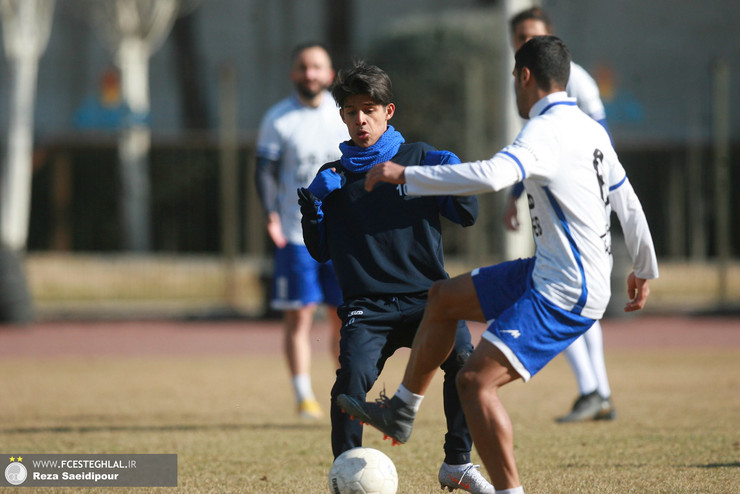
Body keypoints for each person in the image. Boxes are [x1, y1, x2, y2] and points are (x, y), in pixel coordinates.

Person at [337, 36, 659, 493]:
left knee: (473, 383)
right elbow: (627, 201)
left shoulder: (545, 130)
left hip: (567, 287)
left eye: (513, 77)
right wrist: (644, 265)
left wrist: (405, 174)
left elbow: (492, 174)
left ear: (524, 76)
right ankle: (402, 409)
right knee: (443, 298)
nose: (514, 87)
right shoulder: (589, 128)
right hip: (548, 269)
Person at [298, 61, 494, 493]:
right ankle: (347, 470)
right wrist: (312, 208)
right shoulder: (333, 177)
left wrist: (452, 176)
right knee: (351, 381)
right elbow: (319, 251)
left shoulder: (420, 161)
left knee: (464, 360)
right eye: (351, 111)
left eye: (369, 109)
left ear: (389, 111)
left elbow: (468, 215)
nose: (360, 120)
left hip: (430, 300)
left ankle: (457, 464)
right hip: (367, 308)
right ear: (343, 117)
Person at [505, 6, 617, 422]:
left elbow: (599, 138)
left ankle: (594, 389)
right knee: (571, 289)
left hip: (577, 199)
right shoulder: (525, 80)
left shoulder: (572, 79)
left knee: (564, 288)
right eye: (519, 38)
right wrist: (516, 195)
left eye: (533, 36)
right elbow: (532, 152)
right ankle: (597, 391)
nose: (526, 44)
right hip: (551, 198)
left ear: (551, 39)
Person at [255, 42, 346, 420]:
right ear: (294, 73)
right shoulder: (278, 119)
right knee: (300, 316)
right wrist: (270, 213)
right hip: (296, 236)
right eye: (303, 67)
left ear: (329, 74)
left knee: (346, 317)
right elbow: (264, 170)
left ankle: (347, 392)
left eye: (317, 67)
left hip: (342, 236)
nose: (310, 73)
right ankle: (304, 396)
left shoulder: (344, 116)